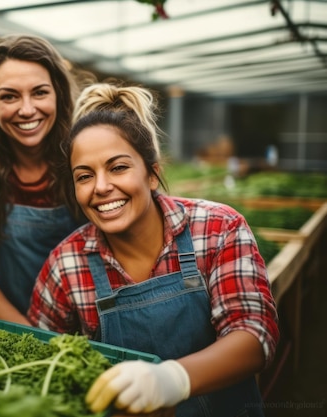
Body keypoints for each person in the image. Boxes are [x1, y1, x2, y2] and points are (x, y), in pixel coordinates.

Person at [27, 82, 279, 416]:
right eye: (84, 176)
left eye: (118, 167)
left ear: (152, 175)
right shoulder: (66, 263)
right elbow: (38, 362)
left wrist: (172, 379)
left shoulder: (218, 228)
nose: (101, 187)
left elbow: (254, 335)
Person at [0, 34, 89, 324]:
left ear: (58, 94)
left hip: (92, 326)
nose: (26, 109)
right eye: (9, 96)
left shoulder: (86, 156)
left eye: (39, 93)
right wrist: (29, 332)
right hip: (11, 328)